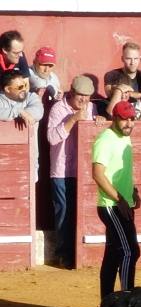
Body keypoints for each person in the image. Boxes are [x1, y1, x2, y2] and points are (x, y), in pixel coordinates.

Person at [46, 75, 97, 268]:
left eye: (87, 96)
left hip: (84, 170)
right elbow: (51, 138)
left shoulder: (92, 108)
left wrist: (97, 121)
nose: (84, 100)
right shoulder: (58, 109)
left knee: (82, 212)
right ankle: (63, 254)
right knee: (64, 212)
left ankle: (78, 254)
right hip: (61, 170)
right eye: (80, 96)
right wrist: (73, 119)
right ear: (71, 93)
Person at [91, 100, 141, 298]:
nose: (129, 123)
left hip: (121, 203)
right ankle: (126, 299)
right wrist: (119, 199)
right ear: (114, 118)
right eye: (124, 119)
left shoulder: (124, 137)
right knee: (129, 251)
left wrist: (133, 192)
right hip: (111, 205)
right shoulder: (105, 139)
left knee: (113, 255)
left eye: (132, 119)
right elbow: (98, 174)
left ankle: (107, 303)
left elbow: (122, 173)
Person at [104, 41, 141, 108]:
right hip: (118, 112)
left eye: (136, 59)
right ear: (122, 59)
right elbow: (109, 93)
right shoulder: (112, 75)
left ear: (140, 59)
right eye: (128, 59)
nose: (132, 62)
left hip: (139, 112)